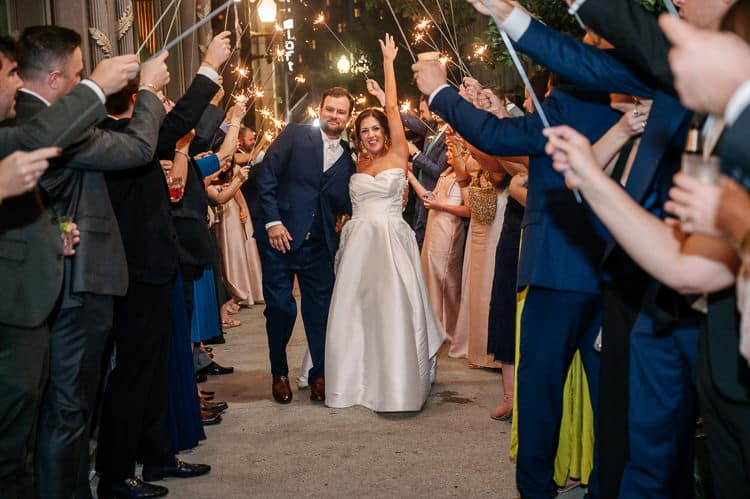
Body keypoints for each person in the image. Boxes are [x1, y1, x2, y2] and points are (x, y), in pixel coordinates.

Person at [412, 34, 620, 496]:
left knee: (540, 393)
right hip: (612, 271)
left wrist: (439, 90)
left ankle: (536, 489)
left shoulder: (566, 105)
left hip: (556, 271)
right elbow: (515, 142)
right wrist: (503, 113)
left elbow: (496, 139)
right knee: (610, 397)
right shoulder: (622, 104)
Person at [0, 38, 146, 499]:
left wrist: (53, 228)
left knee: (54, 417)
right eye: (9, 73)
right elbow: (134, 149)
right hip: (45, 295)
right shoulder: (37, 122)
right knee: (55, 417)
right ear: (56, 77)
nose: (16, 83)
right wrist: (101, 88)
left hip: (45, 287)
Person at [324, 34, 444, 413]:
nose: (371, 135)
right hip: (359, 243)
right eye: (364, 131)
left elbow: (391, 107)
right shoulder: (353, 163)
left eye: (376, 129)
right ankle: (353, 378)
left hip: (392, 239)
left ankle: (397, 381)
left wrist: (389, 65)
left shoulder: (397, 154)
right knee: (356, 311)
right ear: (357, 137)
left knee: (394, 307)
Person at [253, 83, 355, 404]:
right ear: (320, 110)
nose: (334, 116)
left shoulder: (349, 158)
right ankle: (279, 372)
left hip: (319, 246)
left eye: (341, 112)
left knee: (320, 313)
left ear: (348, 118)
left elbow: (345, 202)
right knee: (280, 309)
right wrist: (272, 222)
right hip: (279, 241)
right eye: (330, 109)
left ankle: (320, 375)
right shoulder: (295, 135)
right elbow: (266, 177)